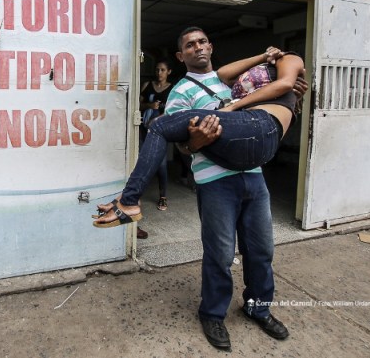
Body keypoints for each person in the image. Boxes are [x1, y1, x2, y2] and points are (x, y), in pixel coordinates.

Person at [93, 27, 307, 350]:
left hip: (253, 175)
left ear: (211, 45)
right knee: (220, 255)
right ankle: (212, 313)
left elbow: (269, 100)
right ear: (181, 56)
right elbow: (182, 148)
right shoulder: (179, 93)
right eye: (190, 45)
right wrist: (199, 139)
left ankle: (258, 307)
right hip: (214, 181)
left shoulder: (232, 81)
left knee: (262, 250)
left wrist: (289, 94)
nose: (198, 47)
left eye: (203, 41)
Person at [139, 59, 173, 212]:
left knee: (161, 164)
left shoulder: (172, 90)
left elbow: (174, 111)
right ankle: (136, 195)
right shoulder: (147, 86)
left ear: (169, 72)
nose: (159, 73)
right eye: (157, 70)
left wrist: (157, 118)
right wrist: (149, 106)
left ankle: (163, 196)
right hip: (144, 129)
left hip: (161, 131)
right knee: (140, 161)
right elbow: (137, 104)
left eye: (163, 70)